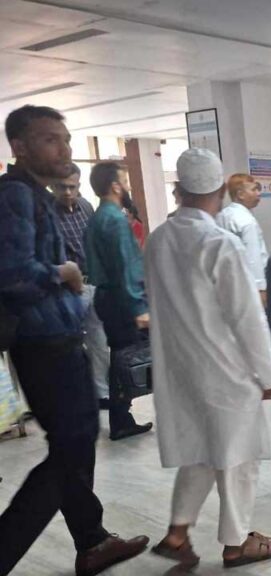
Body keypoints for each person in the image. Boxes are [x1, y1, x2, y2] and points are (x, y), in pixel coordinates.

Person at [0, 104, 149, 576]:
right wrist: (61, 273)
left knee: (76, 442)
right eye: (51, 139)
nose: (64, 148)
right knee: (72, 446)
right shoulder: (15, 195)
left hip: (55, 335)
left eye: (66, 139)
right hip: (44, 341)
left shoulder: (35, 194)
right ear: (20, 147)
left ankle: (92, 540)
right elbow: (11, 274)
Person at [147, 148, 271, 569]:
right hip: (225, 370)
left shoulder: (158, 239)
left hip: (179, 369)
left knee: (201, 450)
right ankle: (237, 542)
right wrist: (267, 376)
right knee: (238, 457)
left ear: (178, 190)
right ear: (220, 192)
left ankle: (177, 534)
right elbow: (246, 317)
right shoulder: (218, 243)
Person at [84, 161, 154, 441]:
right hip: (120, 298)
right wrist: (139, 307)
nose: (127, 187)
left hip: (106, 295)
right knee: (126, 359)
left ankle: (121, 418)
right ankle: (121, 418)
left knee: (120, 357)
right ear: (115, 186)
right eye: (124, 182)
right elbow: (126, 266)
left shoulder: (97, 217)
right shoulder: (114, 219)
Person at [216, 174, 271, 393]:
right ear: (240, 194)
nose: (258, 194)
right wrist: (262, 289)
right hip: (251, 286)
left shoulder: (223, 216)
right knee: (265, 332)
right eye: (253, 189)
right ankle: (270, 379)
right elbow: (253, 258)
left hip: (230, 285)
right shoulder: (246, 221)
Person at [53, 166, 111, 407]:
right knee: (71, 345)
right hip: (66, 289)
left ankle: (101, 393)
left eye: (72, 187)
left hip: (93, 282)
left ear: (79, 186)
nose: (67, 192)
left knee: (99, 341)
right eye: (62, 187)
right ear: (53, 186)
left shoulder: (86, 207)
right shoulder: (47, 213)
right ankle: (76, 395)